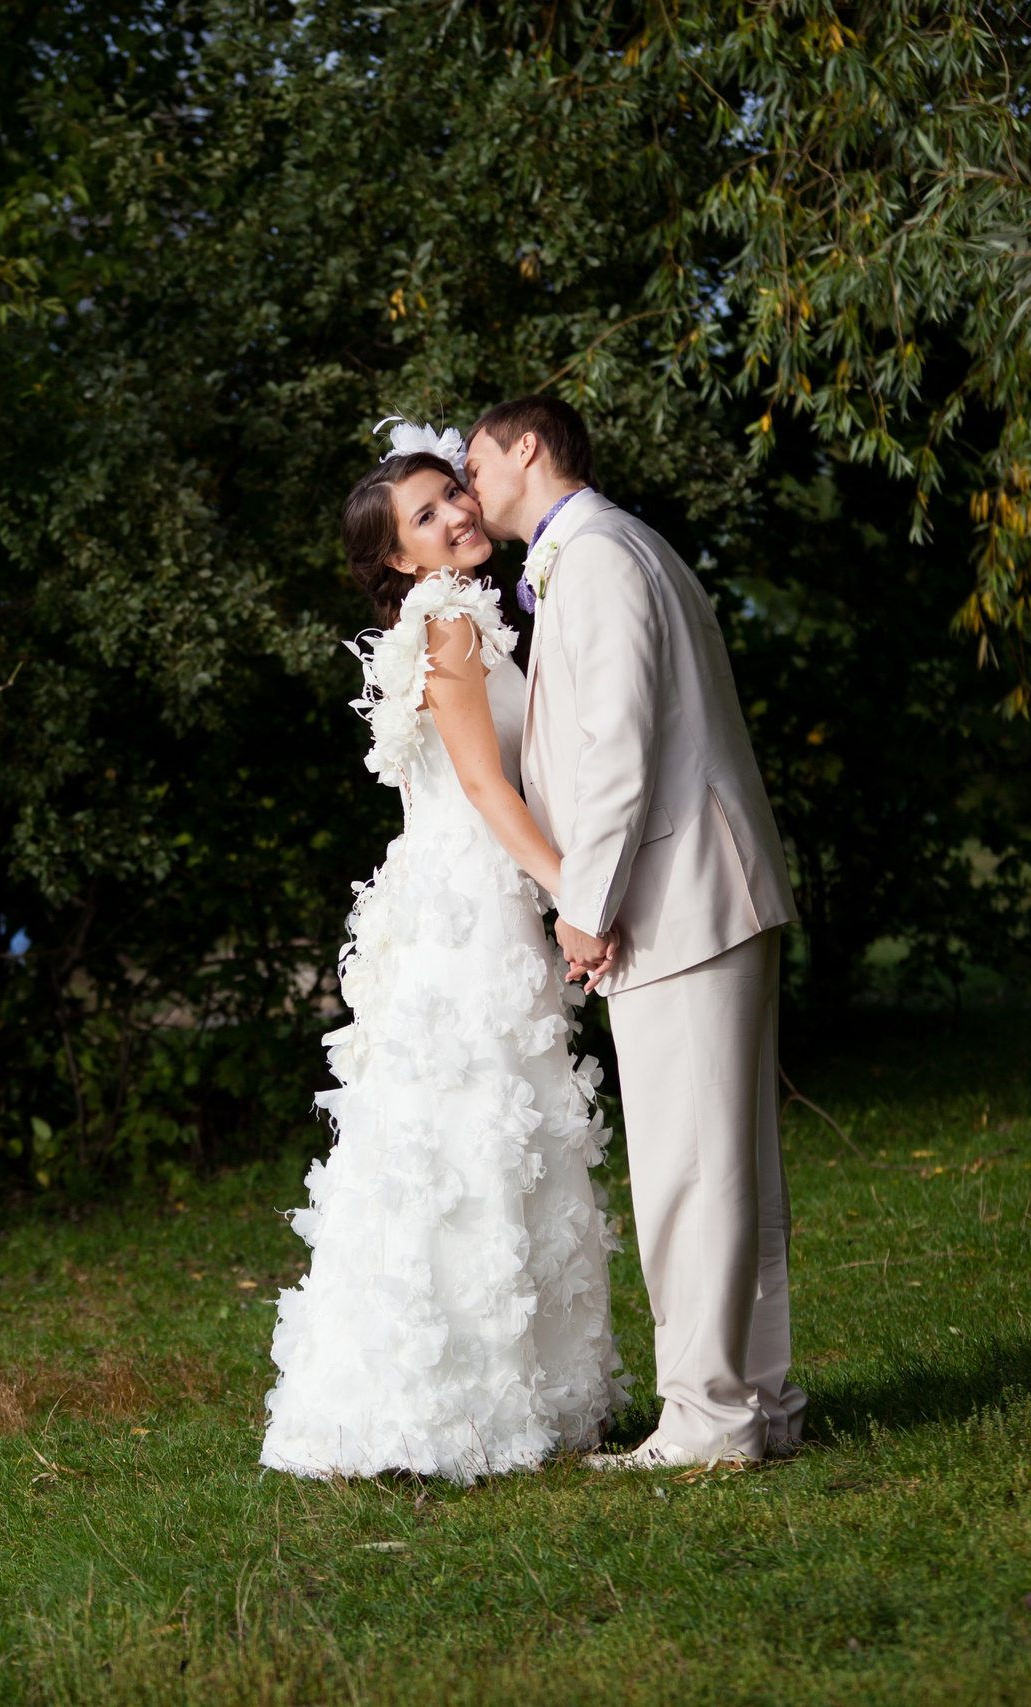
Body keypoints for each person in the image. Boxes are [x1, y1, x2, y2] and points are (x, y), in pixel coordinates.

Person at [260, 424, 624, 1483]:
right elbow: (482, 788)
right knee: (473, 1136)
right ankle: (449, 1400)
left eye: (455, 494)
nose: (459, 514)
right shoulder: (452, 621)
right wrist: (577, 890)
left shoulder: (456, 613)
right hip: (468, 912)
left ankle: (503, 1390)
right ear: (396, 561)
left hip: (459, 903)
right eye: (426, 517)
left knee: (477, 1137)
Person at [463, 396, 803, 1468]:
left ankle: (708, 1419)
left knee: (690, 1171)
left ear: (526, 447)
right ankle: (752, 1401)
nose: (467, 484)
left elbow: (618, 746)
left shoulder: (601, 556)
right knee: (723, 1163)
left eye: (475, 460)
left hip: (679, 898)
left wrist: (585, 905)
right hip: (700, 890)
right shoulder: (612, 546)